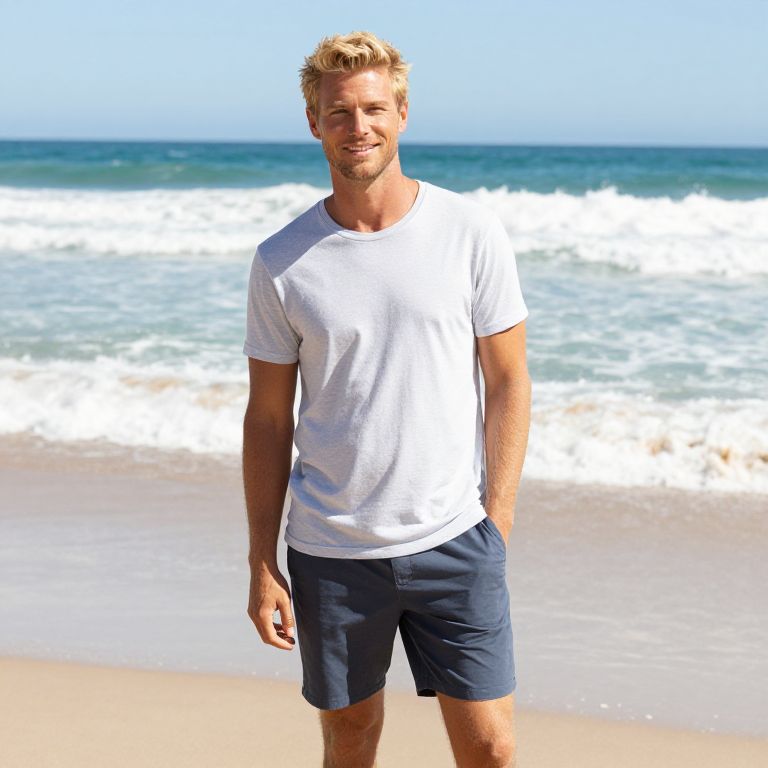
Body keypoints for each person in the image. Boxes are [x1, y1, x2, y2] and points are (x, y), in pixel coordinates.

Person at [243, 30, 531, 768]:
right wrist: (261, 561)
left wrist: (495, 520)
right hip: (332, 551)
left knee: (492, 749)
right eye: (339, 112)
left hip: (456, 542)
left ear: (402, 112)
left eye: (373, 109)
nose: (358, 127)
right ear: (314, 122)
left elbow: (508, 381)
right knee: (349, 738)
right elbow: (269, 418)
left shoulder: (469, 233)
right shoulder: (282, 262)